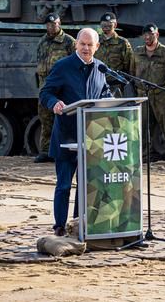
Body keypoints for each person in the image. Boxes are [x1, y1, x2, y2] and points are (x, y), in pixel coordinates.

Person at [39, 28, 112, 237]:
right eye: (83, 44)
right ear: (76, 44)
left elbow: (104, 92)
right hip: (66, 136)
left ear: (97, 47)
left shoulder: (101, 69)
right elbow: (45, 93)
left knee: (85, 184)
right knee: (63, 185)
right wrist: (54, 103)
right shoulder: (63, 67)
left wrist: (110, 102)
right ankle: (60, 226)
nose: (86, 48)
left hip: (91, 137)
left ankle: (79, 224)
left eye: (91, 45)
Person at [131, 23, 165, 158]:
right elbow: (132, 72)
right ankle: (145, 155)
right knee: (143, 127)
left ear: (156, 34)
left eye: (150, 34)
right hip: (143, 95)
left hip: (161, 95)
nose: (147, 37)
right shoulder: (137, 52)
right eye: (145, 34)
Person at [34, 13, 75, 163]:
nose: (52, 26)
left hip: (62, 86)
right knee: (45, 118)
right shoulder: (43, 42)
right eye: (49, 24)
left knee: (64, 117)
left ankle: (64, 150)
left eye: (55, 24)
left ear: (60, 24)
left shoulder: (68, 41)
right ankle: (45, 151)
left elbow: (75, 63)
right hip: (46, 85)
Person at [94, 12, 132, 96]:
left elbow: (129, 66)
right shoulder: (95, 41)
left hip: (116, 86)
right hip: (97, 85)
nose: (106, 28)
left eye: (109, 25)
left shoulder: (123, 43)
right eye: (104, 25)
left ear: (115, 25)